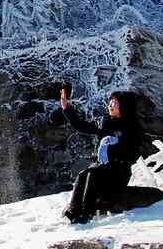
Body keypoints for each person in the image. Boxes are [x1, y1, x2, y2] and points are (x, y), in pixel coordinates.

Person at [59, 89, 144, 224]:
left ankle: (86, 213)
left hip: (119, 171)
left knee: (93, 174)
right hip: (103, 168)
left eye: (114, 103)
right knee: (83, 174)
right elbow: (82, 126)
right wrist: (66, 108)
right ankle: (73, 210)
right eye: (110, 102)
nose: (110, 105)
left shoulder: (132, 127)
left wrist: (116, 143)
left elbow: (133, 153)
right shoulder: (105, 123)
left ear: (124, 106)